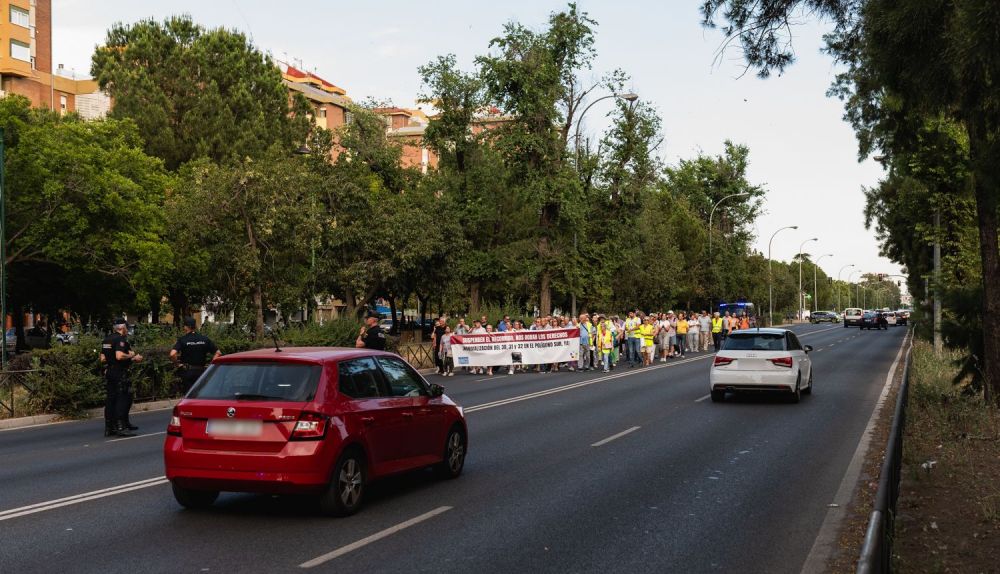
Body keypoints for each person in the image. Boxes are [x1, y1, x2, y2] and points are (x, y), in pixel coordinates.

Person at [101, 318, 143, 437]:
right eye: (126, 327)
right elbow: (119, 356)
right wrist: (132, 356)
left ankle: (109, 428)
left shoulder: (106, 339)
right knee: (122, 399)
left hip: (110, 371)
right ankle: (121, 427)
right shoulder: (120, 339)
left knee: (110, 400)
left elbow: (103, 358)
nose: (127, 329)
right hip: (120, 372)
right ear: (122, 327)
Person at [170, 317, 221, 394]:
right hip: (201, 372)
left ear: (186, 327)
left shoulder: (183, 339)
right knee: (200, 395)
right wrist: (211, 365)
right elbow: (218, 353)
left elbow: (172, 354)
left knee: (189, 395)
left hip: (187, 372)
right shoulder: (204, 339)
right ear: (194, 326)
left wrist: (177, 364)